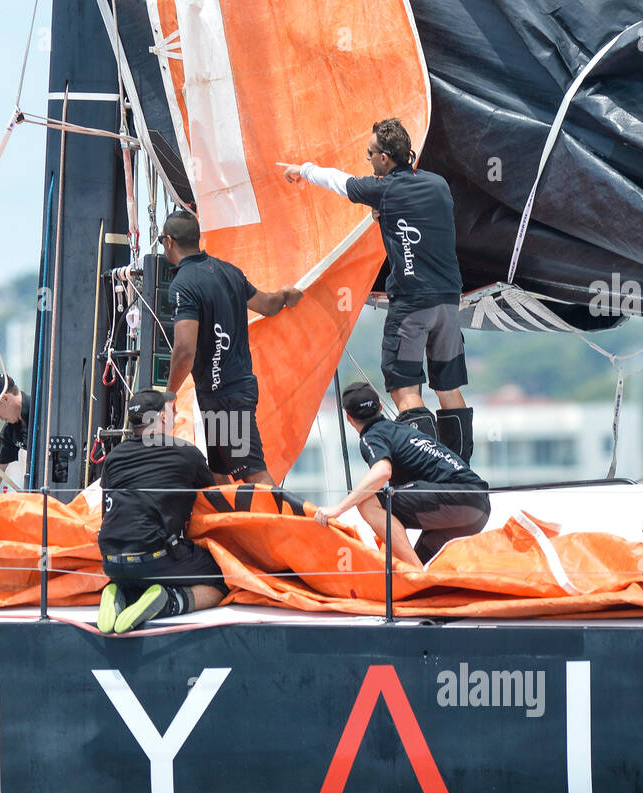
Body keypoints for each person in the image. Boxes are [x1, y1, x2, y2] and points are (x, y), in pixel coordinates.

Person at [279, 118, 472, 461]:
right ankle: (460, 468)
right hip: (447, 304)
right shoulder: (439, 185)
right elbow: (420, 219)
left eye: (369, 154)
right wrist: (384, 214)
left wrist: (302, 168)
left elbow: (340, 182)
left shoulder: (385, 190)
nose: (367, 159)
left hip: (412, 306)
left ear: (385, 158)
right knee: (448, 388)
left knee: (405, 389)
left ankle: (426, 470)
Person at [160, 209, 302, 485]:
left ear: (169, 242)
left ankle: (289, 525)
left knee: (253, 473)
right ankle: (233, 529)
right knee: (219, 473)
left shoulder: (183, 285)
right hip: (227, 390)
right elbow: (268, 305)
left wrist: (169, 393)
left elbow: (185, 350)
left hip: (224, 395)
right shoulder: (229, 272)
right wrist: (285, 294)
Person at [314, 382, 489, 566]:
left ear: (349, 418)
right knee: (417, 566)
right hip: (479, 507)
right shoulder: (401, 431)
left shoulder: (372, 436)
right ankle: (419, 577)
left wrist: (338, 509)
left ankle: (416, 573)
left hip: (459, 500)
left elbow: (382, 471)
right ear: (380, 406)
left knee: (367, 500)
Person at [97, 388, 228, 633]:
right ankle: (169, 602)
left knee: (139, 568)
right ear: (163, 417)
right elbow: (217, 502)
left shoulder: (113, 458)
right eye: (172, 412)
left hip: (111, 562)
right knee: (222, 580)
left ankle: (122, 592)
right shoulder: (187, 454)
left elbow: (107, 513)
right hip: (155, 558)